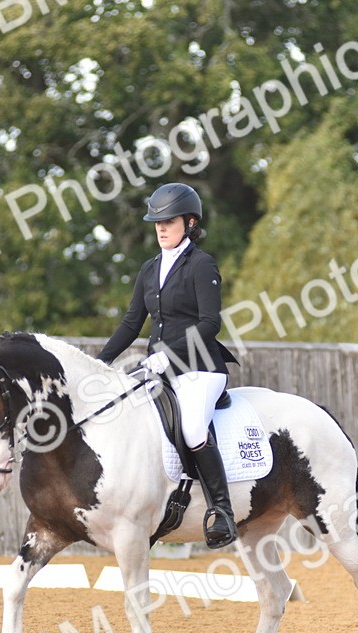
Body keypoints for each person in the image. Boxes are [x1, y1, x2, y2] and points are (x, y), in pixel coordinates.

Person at [97, 183, 239, 548]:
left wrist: (169, 353)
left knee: (192, 430)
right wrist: (99, 363)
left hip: (200, 369)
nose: (160, 228)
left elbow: (210, 324)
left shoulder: (202, 264)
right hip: (159, 369)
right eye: (156, 222)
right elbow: (132, 323)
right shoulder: (150, 269)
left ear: (189, 223)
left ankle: (221, 510)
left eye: (169, 221)